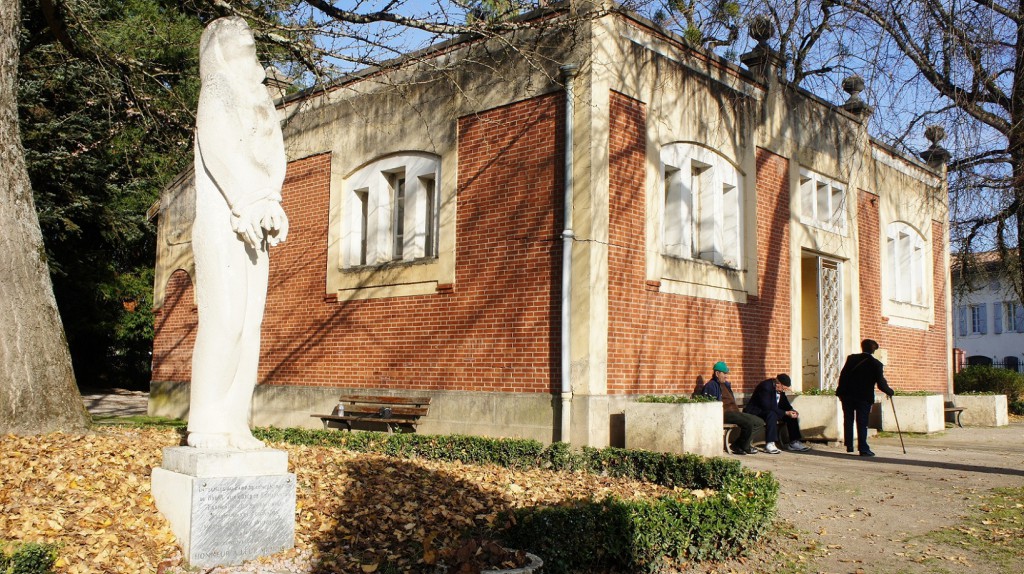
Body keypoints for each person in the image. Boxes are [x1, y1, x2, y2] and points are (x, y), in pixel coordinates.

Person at [187, 16, 289, 450]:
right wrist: (250, 201)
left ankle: (235, 420)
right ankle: (206, 421)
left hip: (255, 227)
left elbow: (274, 156)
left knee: (250, 326)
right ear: (221, 52)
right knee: (224, 320)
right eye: (240, 45)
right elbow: (220, 148)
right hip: (222, 222)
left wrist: (271, 201)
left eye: (252, 44)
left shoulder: (259, 99)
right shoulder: (218, 92)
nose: (250, 52)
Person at [836, 339, 895, 457]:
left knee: (848, 419)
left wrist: (840, 391)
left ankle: (849, 445)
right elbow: (881, 383)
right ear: (873, 349)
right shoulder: (876, 364)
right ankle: (863, 448)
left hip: (847, 395)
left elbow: (843, 375)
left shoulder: (851, 359)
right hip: (863, 397)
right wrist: (889, 391)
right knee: (862, 422)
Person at [701, 361, 765, 455]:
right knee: (748, 423)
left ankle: (739, 445)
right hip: (724, 413)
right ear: (717, 373)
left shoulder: (725, 385)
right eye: (724, 373)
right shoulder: (711, 385)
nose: (726, 376)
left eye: (727, 373)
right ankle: (744, 446)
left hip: (734, 412)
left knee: (759, 422)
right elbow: (710, 405)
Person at [744, 374, 811, 453]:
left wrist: (791, 410)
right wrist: (785, 413)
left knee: (791, 416)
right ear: (778, 383)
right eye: (783, 388)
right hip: (757, 411)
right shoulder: (765, 387)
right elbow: (767, 406)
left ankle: (794, 442)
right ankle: (770, 443)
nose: (783, 390)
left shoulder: (779, 389)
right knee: (772, 414)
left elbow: (784, 403)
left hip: (771, 410)